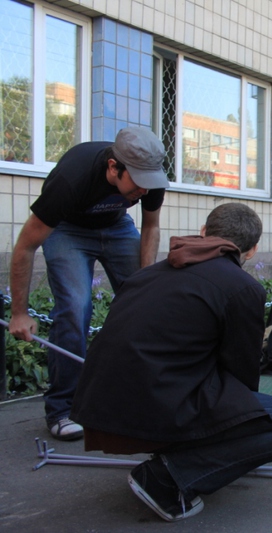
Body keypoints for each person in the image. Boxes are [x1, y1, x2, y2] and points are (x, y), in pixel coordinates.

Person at [71, 203, 272, 521]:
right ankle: (166, 479)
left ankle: (175, 456)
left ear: (203, 232)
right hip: (153, 412)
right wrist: (239, 441)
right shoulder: (241, 286)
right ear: (252, 250)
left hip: (99, 411)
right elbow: (241, 376)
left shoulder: (147, 274)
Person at [8, 127, 168, 441]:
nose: (144, 190)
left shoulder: (150, 179)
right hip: (67, 230)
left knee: (145, 306)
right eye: (137, 182)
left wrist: (144, 286)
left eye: (149, 183)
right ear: (113, 167)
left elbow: (151, 227)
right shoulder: (70, 180)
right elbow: (25, 247)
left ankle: (139, 394)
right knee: (74, 307)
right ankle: (62, 408)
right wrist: (19, 312)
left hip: (117, 227)